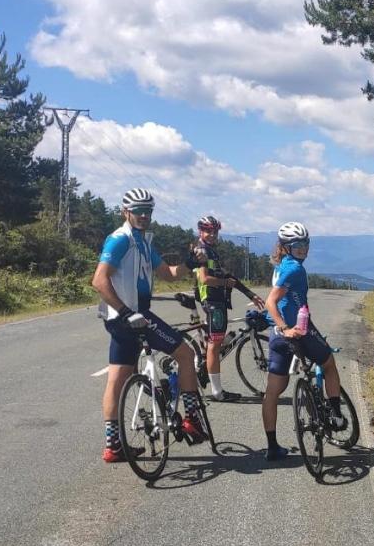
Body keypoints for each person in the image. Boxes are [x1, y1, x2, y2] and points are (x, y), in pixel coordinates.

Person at [90, 189, 206, 462]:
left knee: (118, 379)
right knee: (186, 355)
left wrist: (191, 262)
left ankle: (114, 446)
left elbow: (170, 274)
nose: (144, 215)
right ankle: (191, 417)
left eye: (148, 211)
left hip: (125, 318)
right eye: (138, 210)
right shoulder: (120, 240)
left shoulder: (143, 242)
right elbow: (98, 280)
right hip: (132, 316)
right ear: (125, 211)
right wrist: (125, 311)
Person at [260, 221, 347, 461]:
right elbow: (272, 301)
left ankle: (272, 447)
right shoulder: (294, 269)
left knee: (273, 392)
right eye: (297, 245)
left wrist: (276, 325)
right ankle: (337, 415)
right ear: (285, 246)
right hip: (298, 330)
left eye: (305, 244)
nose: (303, 249)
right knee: (328, 364)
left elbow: (274, 301)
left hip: (276, 336)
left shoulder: (282, 265)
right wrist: (285, 327)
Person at [192, 214, 264, 401]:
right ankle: (217, 392)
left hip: (218, 301)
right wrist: (225, 283)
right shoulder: (201, 250)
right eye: (208, 230)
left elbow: (229, 277)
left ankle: (204, 369)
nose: (212, 234)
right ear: (201, 231)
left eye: (215, 231)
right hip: (212, 301)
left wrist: (250, 294)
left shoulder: (211, 251)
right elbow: (204, 278)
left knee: (215, 342)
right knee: (215, 346)